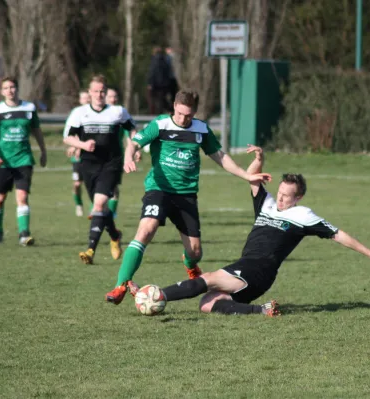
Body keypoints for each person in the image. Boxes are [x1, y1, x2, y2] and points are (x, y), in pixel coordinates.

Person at [136, 145, 370, 316]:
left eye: (287, 196)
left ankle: (158, 294)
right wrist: (259, 160)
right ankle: (262, 310)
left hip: (259, 268)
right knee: (208, 304)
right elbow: (252, 179)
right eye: (280, 193)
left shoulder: (303, 216)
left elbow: (338, 234)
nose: (281, 199)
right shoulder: (267, 204)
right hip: (250, 269)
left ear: (299, 197)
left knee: (211, 278)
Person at [105, 89, 272, 304]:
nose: (185, 119)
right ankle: (121, 285)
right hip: (159, 190)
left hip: (186, 196)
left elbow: (220, 156)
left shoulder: (201, 129)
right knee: (146, 229)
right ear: (174, 106)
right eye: (182, 114)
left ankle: (190, 264)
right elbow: (135, 142)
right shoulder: (160, 124)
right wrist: (129, 158)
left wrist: (246, 175)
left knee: (195, 251)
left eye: (189, 115)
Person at [63, 75, 138, 264]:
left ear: (106, 93)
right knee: (101, 208)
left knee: (98, 205)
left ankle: (90, 250)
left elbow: (133, 130)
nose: (99, 95)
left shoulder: (117, 112)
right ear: (89, 93)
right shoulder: (79, 113)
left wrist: (133, 149)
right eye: (95, 91)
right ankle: (114, 235)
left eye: (102, 91)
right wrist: (81, 144)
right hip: (88, 165)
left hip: (111, 164)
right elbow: (67, 138)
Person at [0, 76, 47, 246]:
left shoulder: (29, 108)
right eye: (6, 88)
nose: (10, 90)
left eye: (12, 87)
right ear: (1, 91)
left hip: (24, 159)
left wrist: (43, 151)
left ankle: (24, 234)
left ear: (17, 88)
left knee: (22, 196)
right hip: (3, 162)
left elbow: (36, 130)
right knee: (0, 198)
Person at [103, 87, 133, 219]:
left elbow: (129, 134)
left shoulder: (120, 114)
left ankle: (111, 214)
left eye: (115, 96)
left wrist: (134, 150)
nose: (113, 99)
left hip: (115, 156)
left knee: (113, 186)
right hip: (97, 156)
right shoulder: (97, 114)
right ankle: (98, 210)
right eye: (110, 96)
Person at [66, 90, 91, 217]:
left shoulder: (94, 115)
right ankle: (79, 205)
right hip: (78, 157)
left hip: (91, 155)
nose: (86, 100)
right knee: (76, 184)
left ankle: (94, 210)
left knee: (92, 183)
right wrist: (74, 146)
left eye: (88, 98)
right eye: (84, 98)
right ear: (80, 100)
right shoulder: (76, 114)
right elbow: (71, 134)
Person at [146, 46, 172, 114]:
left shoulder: (154, 60)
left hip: (155, 84)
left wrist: (150, 83)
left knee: (152, 100)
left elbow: (152, 72)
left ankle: (152, 114)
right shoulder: (165, 60)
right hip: (164, 84)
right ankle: (164, 111)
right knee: (161, 99)